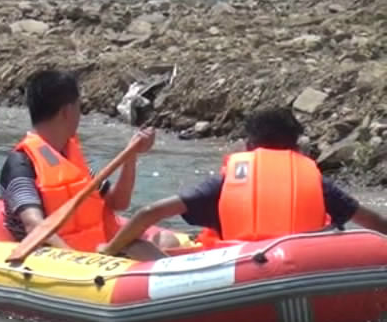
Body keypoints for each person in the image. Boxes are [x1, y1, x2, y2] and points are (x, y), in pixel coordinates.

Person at [101, 108, 387, 258]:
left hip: (237, 269)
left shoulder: (227, 183)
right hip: (302, 267)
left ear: (248, 145)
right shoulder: (315, 181)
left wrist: (111, 249)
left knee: (138, 245)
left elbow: (147, 213)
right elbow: (368, 218)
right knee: (165, 239)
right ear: (296, 147)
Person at [0, 69, 175, 260]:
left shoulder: (69, 158)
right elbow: (34, 225)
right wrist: (80, 262)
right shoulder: (21, 164)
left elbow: (118, 202)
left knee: (166, 239)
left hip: (95, 250)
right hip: (60, 259)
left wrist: (131, 155)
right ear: (67, 111)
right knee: (146, 251)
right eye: (78, 107)